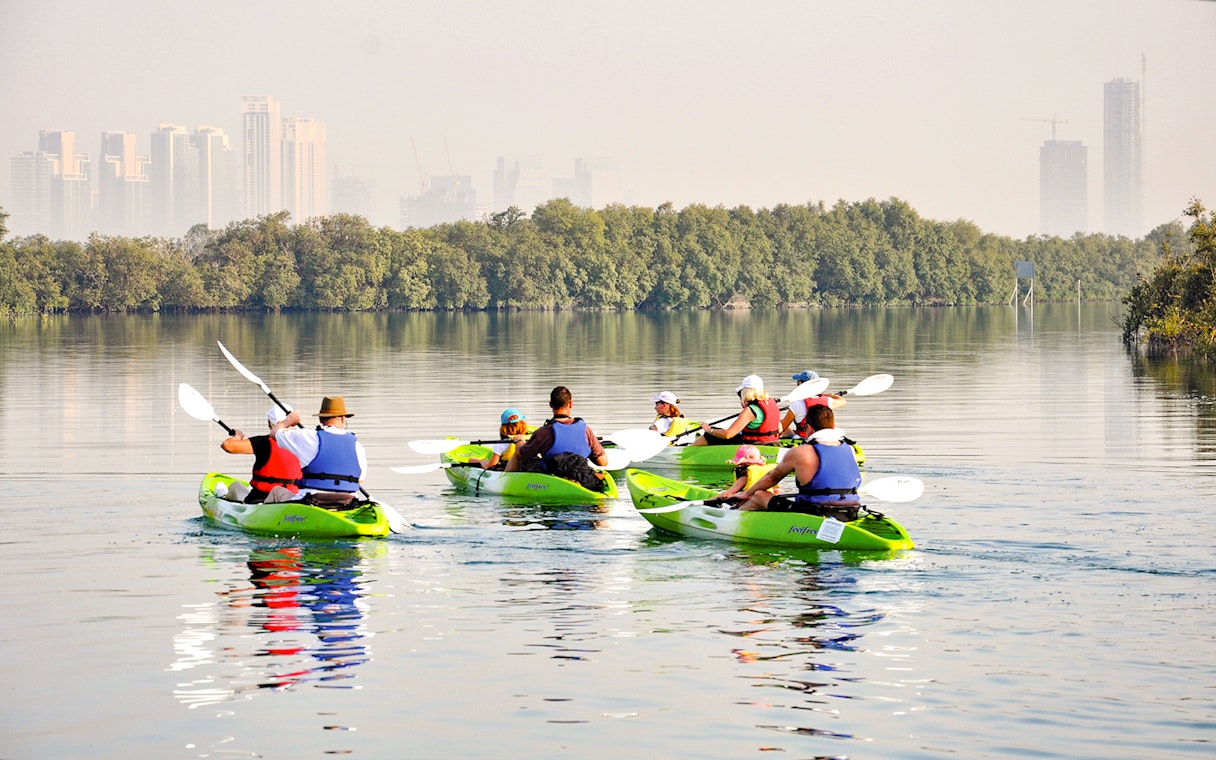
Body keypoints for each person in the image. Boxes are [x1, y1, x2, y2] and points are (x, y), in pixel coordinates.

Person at [733, 406, 861, 517]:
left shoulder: (801, 452)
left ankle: (732, 518)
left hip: (815, 512)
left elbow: (771, 479)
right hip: (850, 510)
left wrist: (746, 493)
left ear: (809, 428)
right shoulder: (850, 449)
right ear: (833, 427)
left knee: (759, 495)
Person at [505, 386, 610, 491]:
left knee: (528, 459)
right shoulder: (586, 430)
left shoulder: (543, 432)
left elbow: (520, 455)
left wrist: (519, 441)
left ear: (551, 405)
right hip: (581, 476)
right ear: (570, 404)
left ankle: (506, 480)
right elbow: (603, 462)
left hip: (553, 478)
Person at [268, 396, 368, 504]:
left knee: (276, 491)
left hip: (313, 499)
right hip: (348, 500)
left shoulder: (308, 436)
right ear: (343, 419)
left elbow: (274, 433)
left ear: (321, 419)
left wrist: (288, 420)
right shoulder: (357, 445)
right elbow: (360, 479)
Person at [219, 406, 304, 503]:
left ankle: (223, 497)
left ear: (269, 422)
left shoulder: (263, 443)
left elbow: (227, 445)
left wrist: (238, 436)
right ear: (293, 423)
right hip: (294, 497)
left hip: (259, 500)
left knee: (235, 486)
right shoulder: (305, 442)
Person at [689, 374, 781, 446]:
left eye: (740, 393)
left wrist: (709, 430)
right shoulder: (771, 404)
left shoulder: (750, 410)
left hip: (755, 445)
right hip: (772, 442)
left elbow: (728, 434)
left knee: (710, 436)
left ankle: (686, 452)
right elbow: (780, 429)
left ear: (746, 392)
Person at [780, 370, 847, 440]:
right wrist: (829, 395)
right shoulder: (828, 401)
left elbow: (783, 428)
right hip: (825, 437)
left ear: (800, 384)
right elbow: (843, 401)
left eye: (798, 382)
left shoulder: (796, 405)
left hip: (803, 439)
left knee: (780, 422)